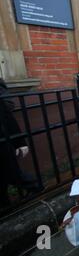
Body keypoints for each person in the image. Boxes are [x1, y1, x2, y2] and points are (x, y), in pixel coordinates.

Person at [0, 79, 30, 207]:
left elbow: (7, 110)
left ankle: (37, 188)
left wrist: (19, 141)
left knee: (12, 174)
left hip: (3, 139)